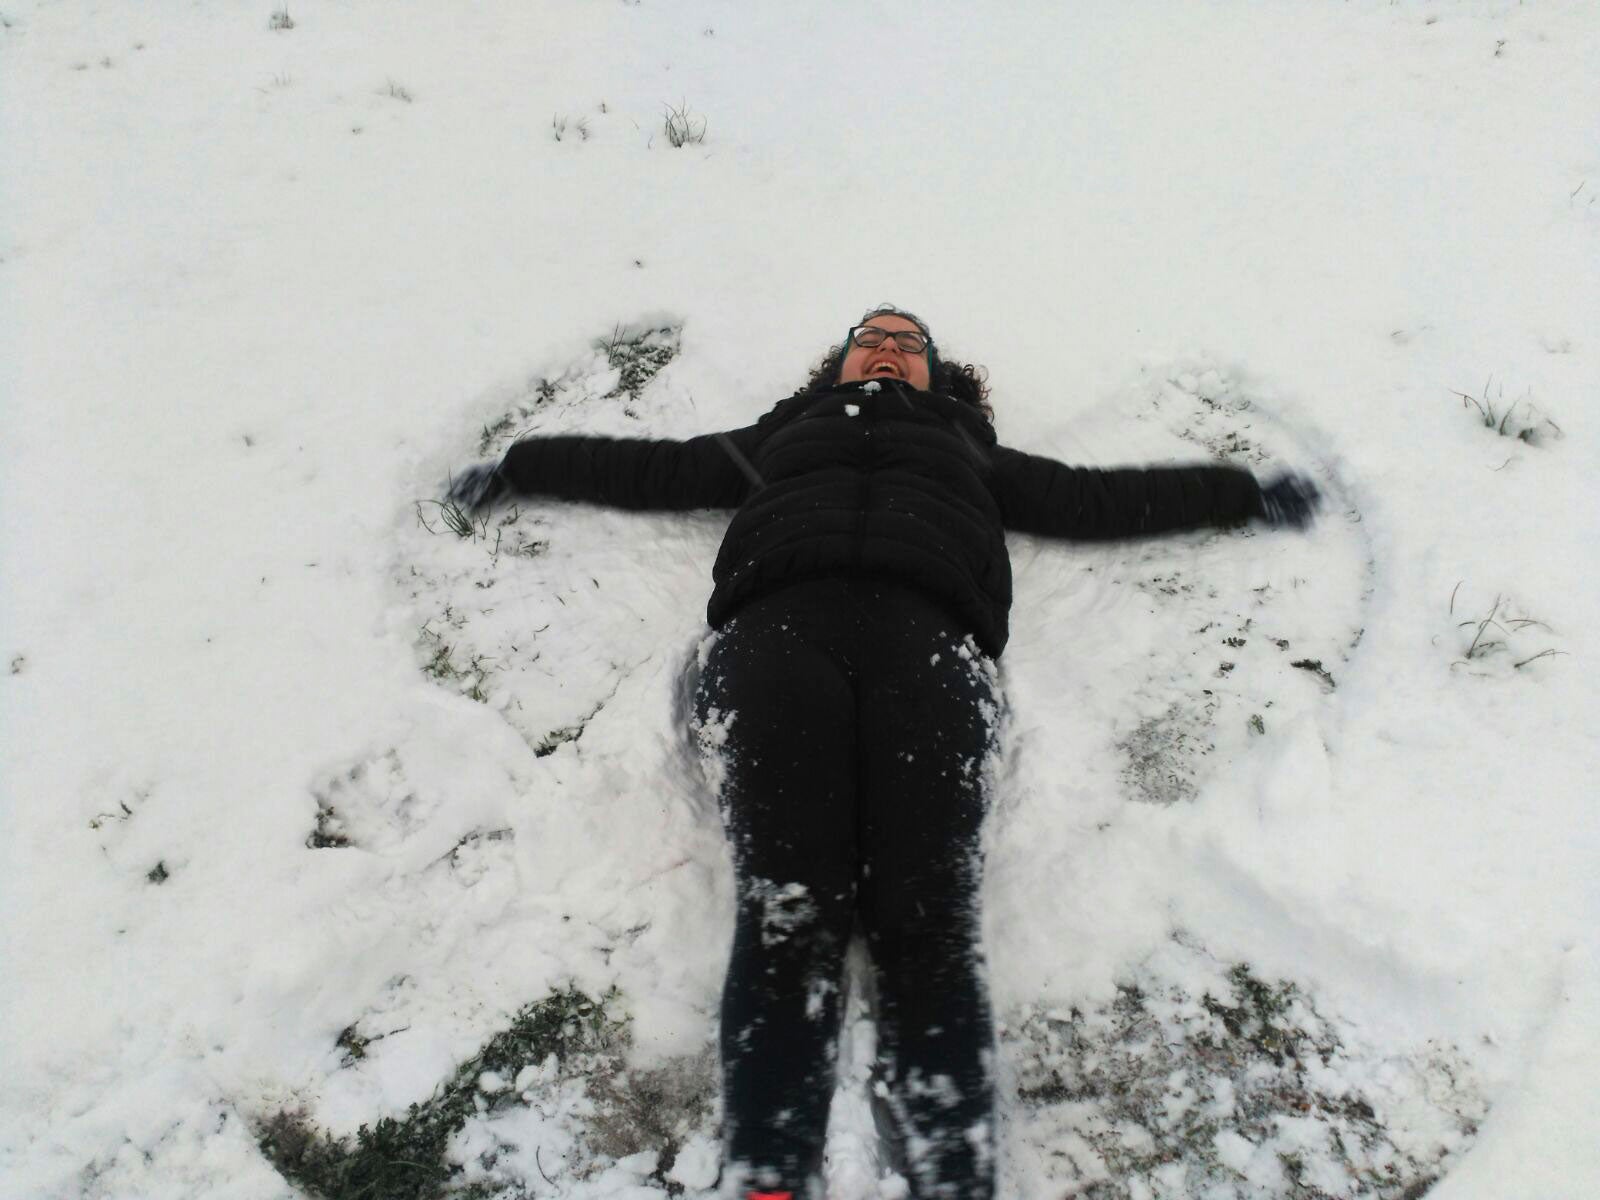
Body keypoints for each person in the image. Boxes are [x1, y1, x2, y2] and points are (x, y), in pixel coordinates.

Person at [447, 307, 1319, 1200]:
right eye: (874, 338)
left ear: (938, 377)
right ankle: (770, 1179)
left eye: (909, 344)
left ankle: (953, 1180)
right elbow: (651, 468)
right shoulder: (773, 440)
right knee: (788, 912)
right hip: (778, 637)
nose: (891, 349)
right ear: (838, 366)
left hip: (929, 647)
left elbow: (1094, 500)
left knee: (929, 921)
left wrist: (1243, 493)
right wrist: (522, 467)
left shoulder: (974, 452)